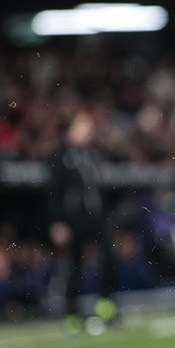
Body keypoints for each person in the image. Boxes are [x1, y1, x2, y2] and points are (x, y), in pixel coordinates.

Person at [46, 107, 117, 331]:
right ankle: (72, 314)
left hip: (95, 216)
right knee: (74, 266)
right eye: (82, 124)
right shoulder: (60, 157)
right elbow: (54, 192)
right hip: (74, 219)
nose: (88, 129)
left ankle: (107, 307)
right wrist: (57, 222)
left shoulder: (90, 154)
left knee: (108, 259)